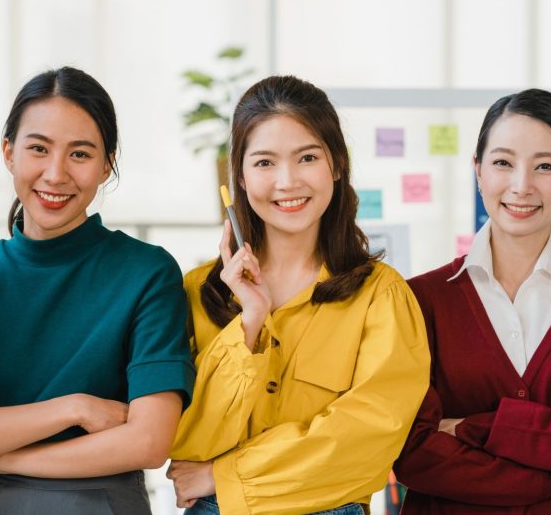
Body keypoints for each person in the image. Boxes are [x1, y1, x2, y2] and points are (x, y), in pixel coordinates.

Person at [0, 66, 193, 514]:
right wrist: (74, 409)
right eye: (38, 149)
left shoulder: (147, 273)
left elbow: (150, 441)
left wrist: (3, 455)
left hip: (102, 503)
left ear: (107, 165)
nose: (56, 174)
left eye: (80, 154)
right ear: (8, 153)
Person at [167, 75, 430, 515]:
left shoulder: (382, 295)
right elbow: (189, 442)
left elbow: (367, 441)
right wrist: (250, 322)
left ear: (337, 165)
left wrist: (225, 475)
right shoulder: (196, 291)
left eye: (307, 157)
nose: (287, 182)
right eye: (265, 163)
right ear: (241, 179)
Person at [393, 88, 551, 514]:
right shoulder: (420, 301)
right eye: (502, 163)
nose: (521, 185)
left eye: (545, 166)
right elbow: (414, 455)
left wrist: (477, 428)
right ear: (477, 171)